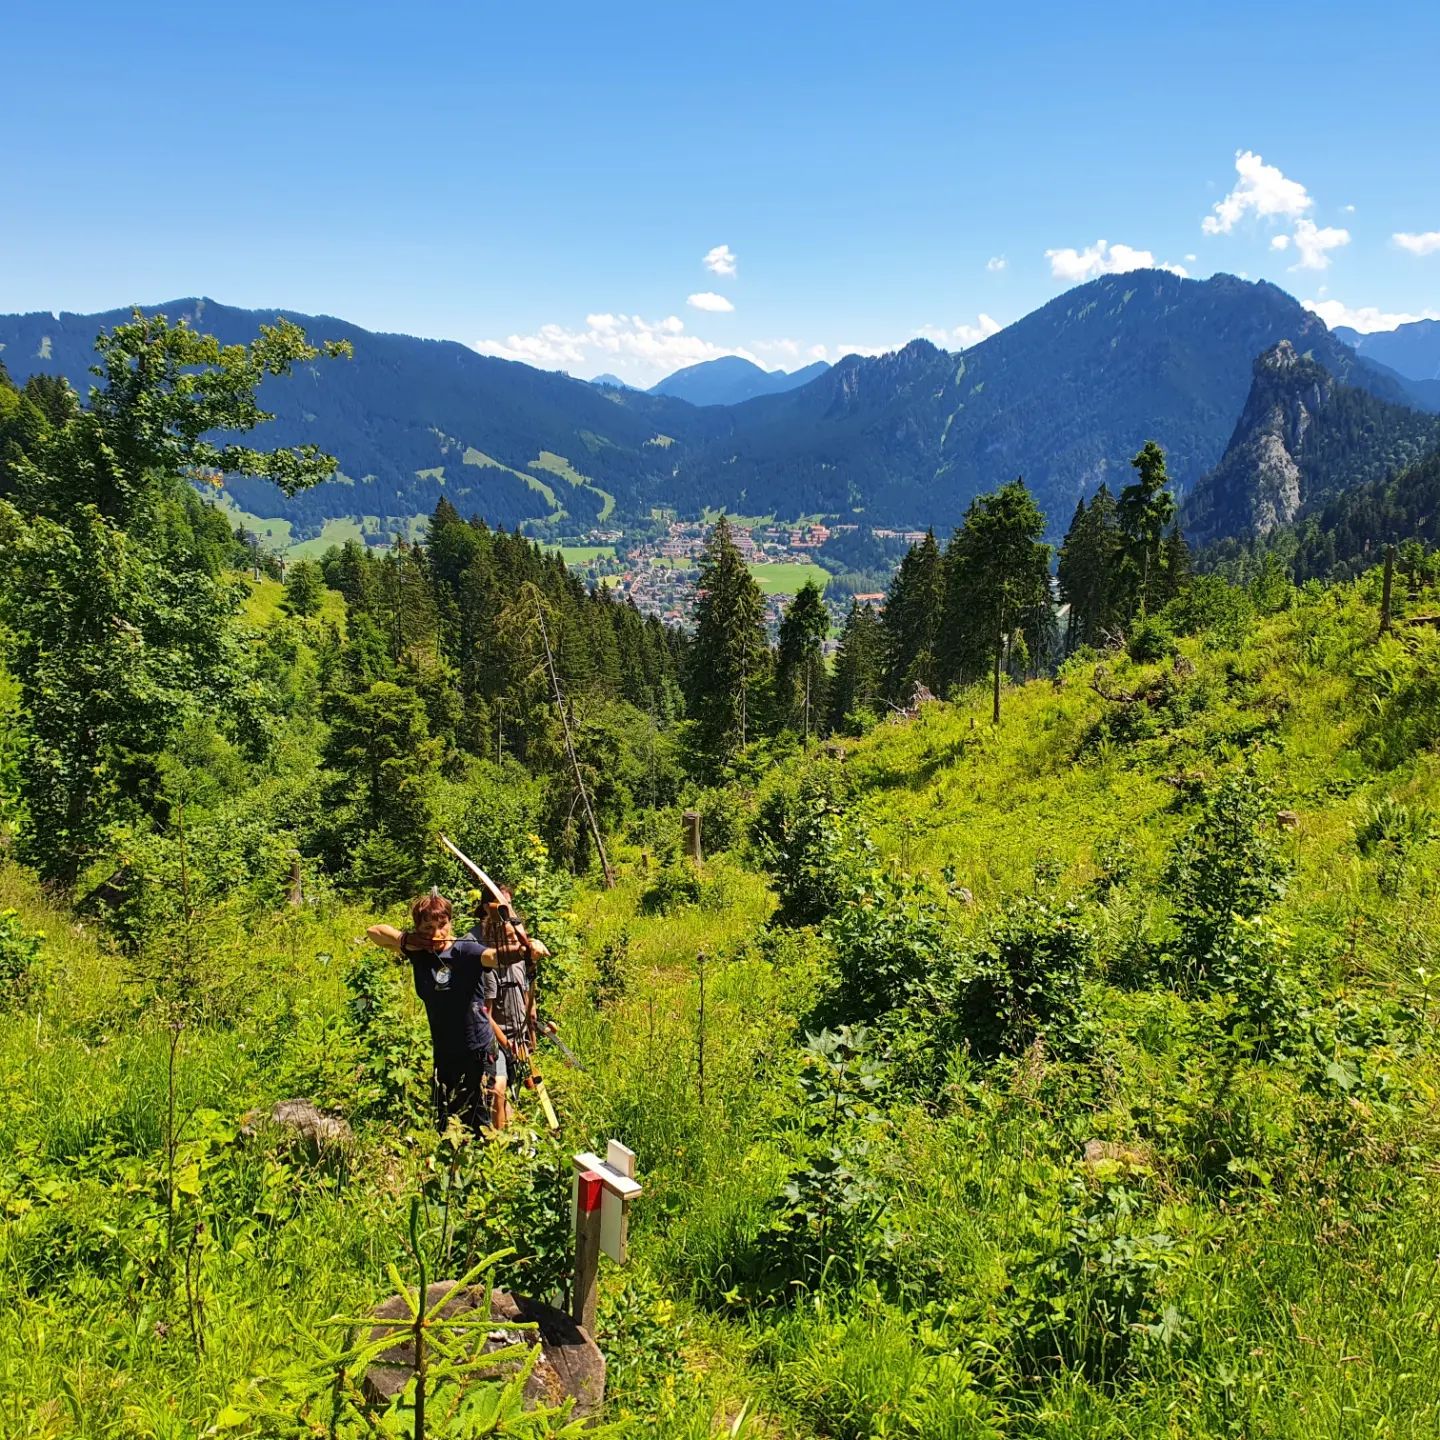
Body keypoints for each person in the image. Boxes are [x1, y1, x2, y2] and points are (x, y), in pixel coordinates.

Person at [366, 892, 497, 1134]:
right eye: (428, 927)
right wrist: (407, 939)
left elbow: (493, 957)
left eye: (442, 925)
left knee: (479, 1125)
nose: (437, 933)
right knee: (445, 1124)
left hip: (475, 1050)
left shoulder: (465, 949)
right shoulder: (419, 953)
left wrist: (525, 950)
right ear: (418, 927)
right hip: (445, 1051)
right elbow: (374, 932)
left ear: (450, 922)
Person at [479, 890, 549, 1129]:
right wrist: (508, 1046)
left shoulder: (520, 962)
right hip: (498, 1041)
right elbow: (485, 1013)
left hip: (519, 1038)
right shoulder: (489, 968)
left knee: (522, 1088)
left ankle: (518, 1141)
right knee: (499, 1088)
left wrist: (533, 1027)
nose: (514, 944)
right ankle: (500, 1144)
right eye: (508, 940)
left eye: (516, 940)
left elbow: (528, 995)